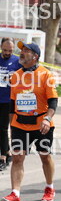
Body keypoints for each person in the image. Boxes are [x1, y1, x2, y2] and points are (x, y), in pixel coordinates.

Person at [1, 42, 58, 201]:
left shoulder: (46, 75)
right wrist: (11, 125)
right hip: (19, 124)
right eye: (22, 50)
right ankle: (15, 194)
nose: (22, 52)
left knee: (45, 156)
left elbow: (53, 102)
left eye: (26, 50)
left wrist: (47, 119)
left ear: (35, 56)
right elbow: (12, 103)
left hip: (41, 124)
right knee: (17, 157)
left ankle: (49, 187)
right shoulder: (15, 76)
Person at [0, 38, 21, 171]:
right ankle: (7, 152)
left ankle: (2, 157)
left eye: (10, 50)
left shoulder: (17, 62)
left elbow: (24, 79)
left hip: (8, 100)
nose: (7, 53)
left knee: (3, 128)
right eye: (5, 50)